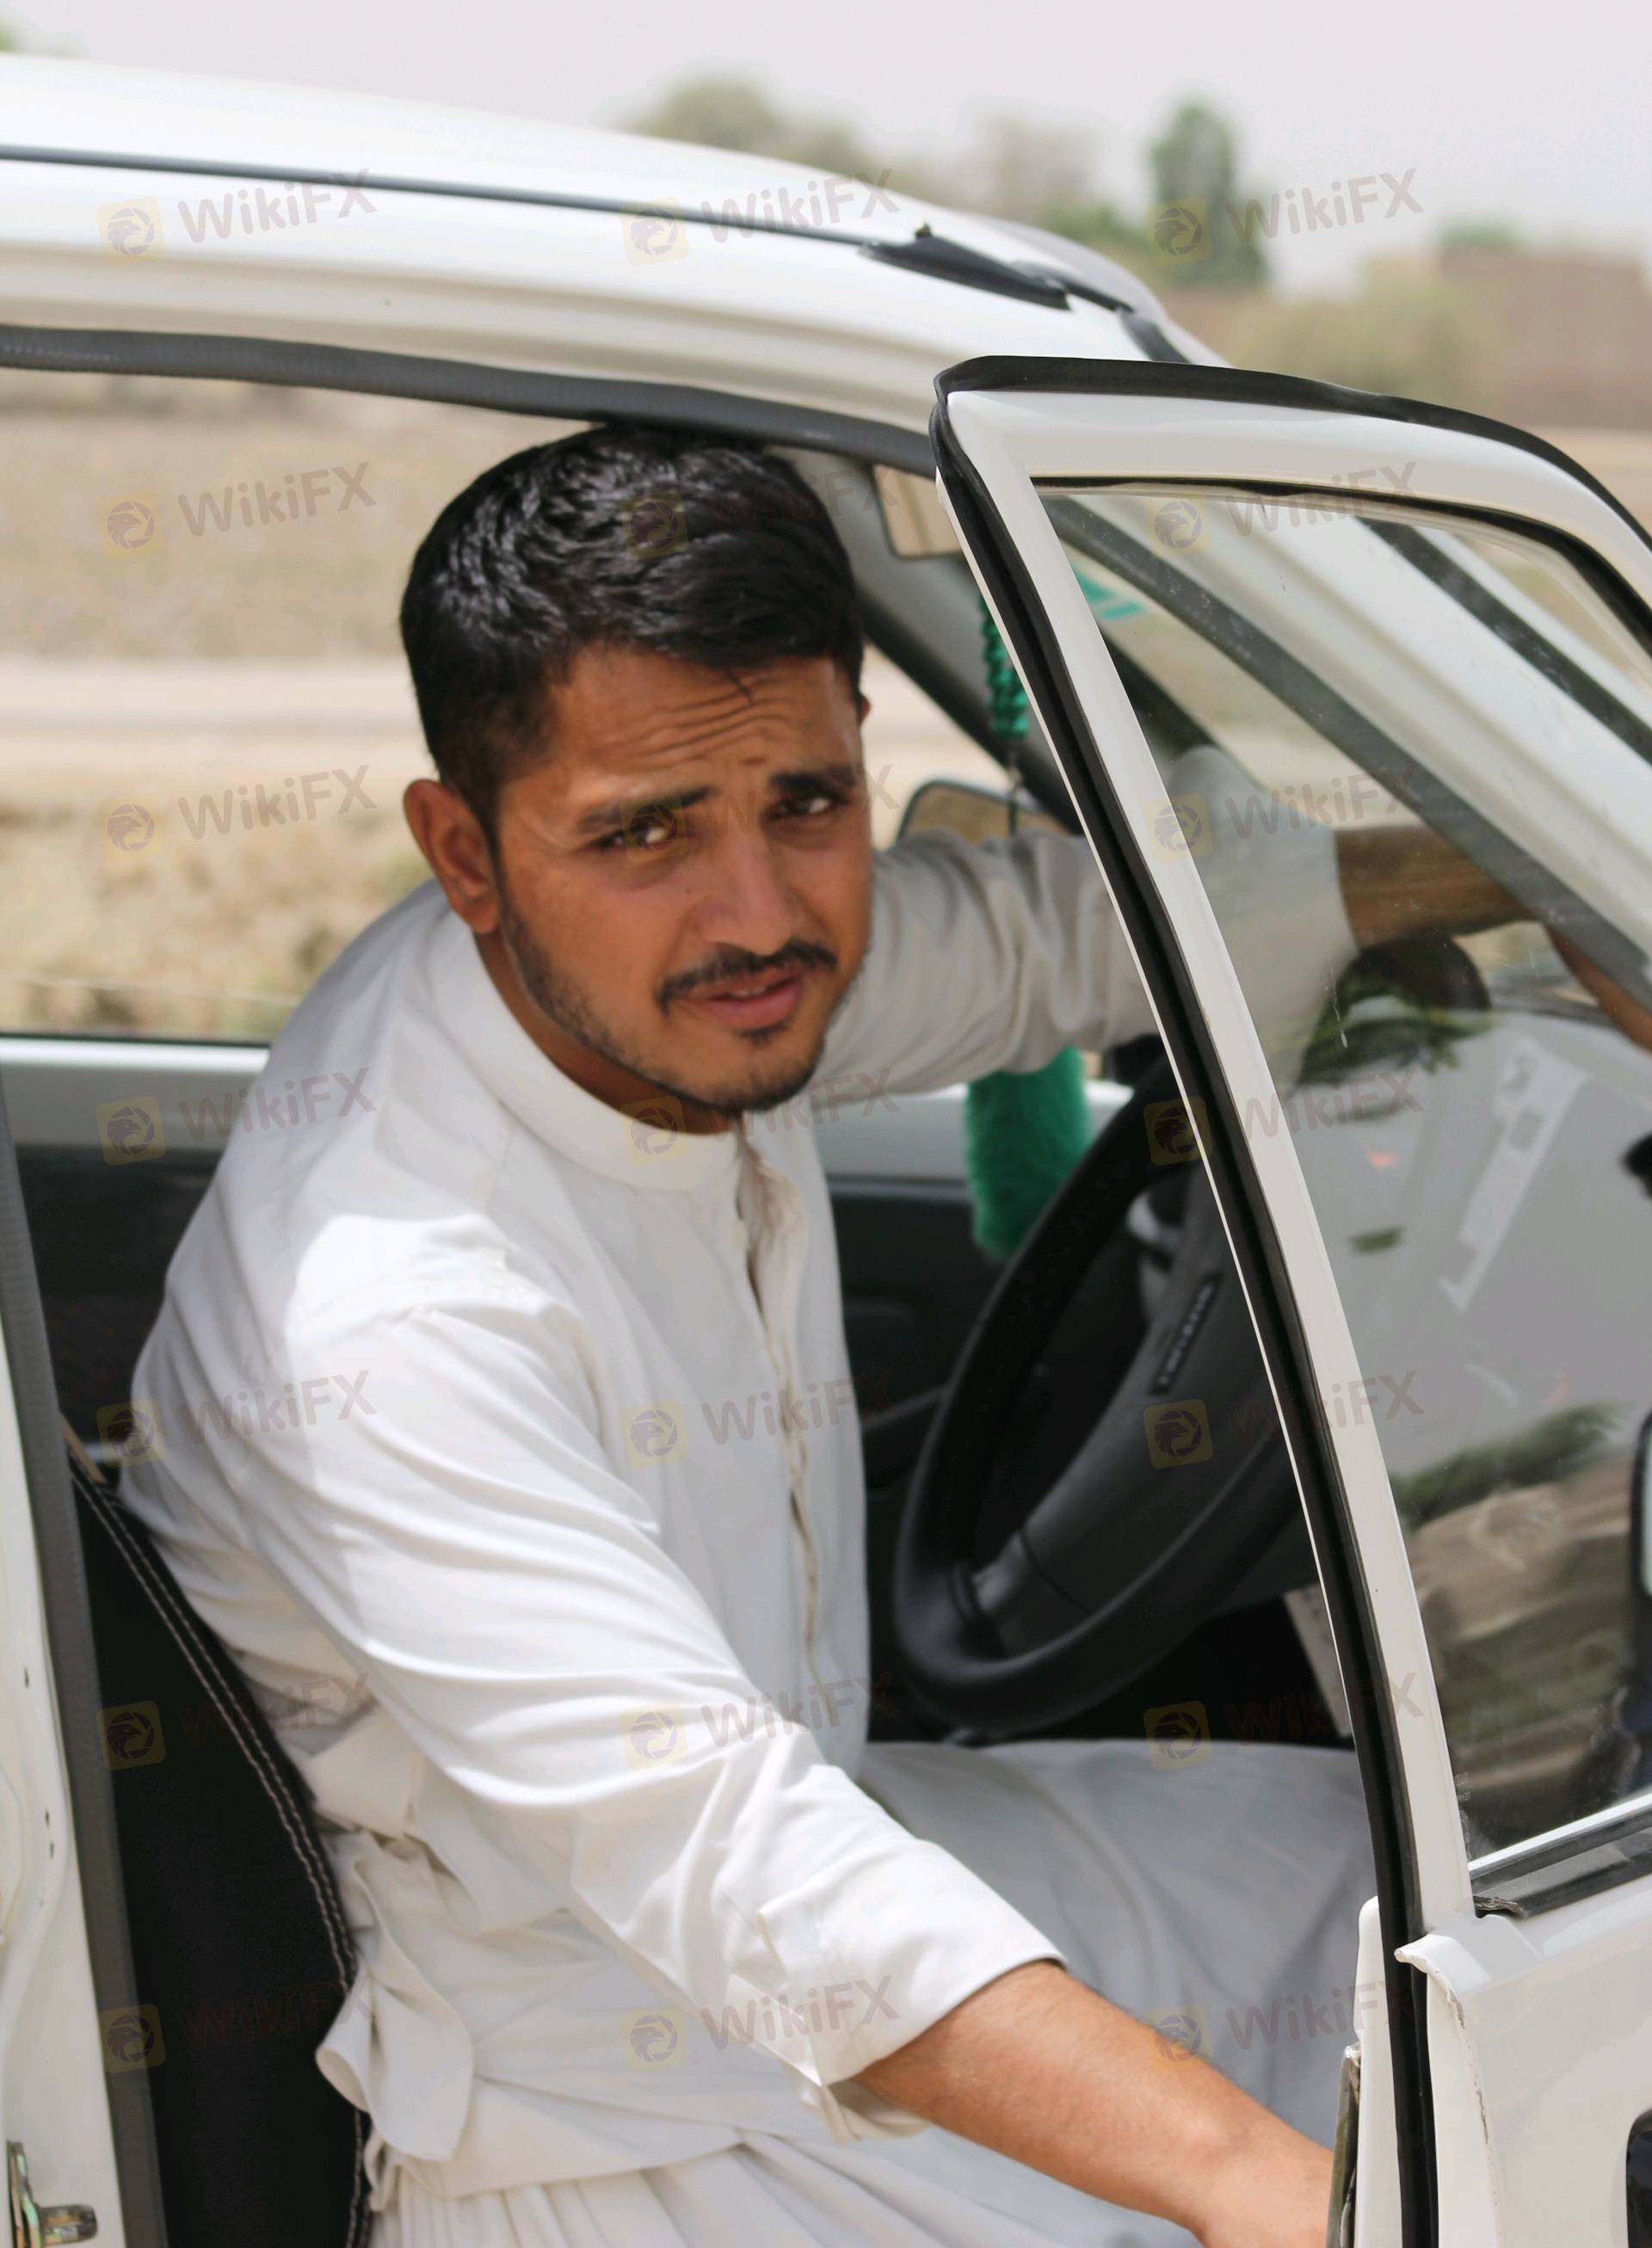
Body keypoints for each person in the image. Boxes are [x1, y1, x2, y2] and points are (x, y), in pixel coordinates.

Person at [126, 428, 1513, 2248]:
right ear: (464, 852)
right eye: (644, 832)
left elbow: (1058, 940)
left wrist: (1549, 879)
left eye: (807, 802)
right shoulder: (388, 1315)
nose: (761, 914)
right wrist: (1271, 2198)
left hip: (823, 1853)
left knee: (1417, 1911)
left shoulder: (669, 985)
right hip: (598, 2111)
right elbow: (733, 1863)